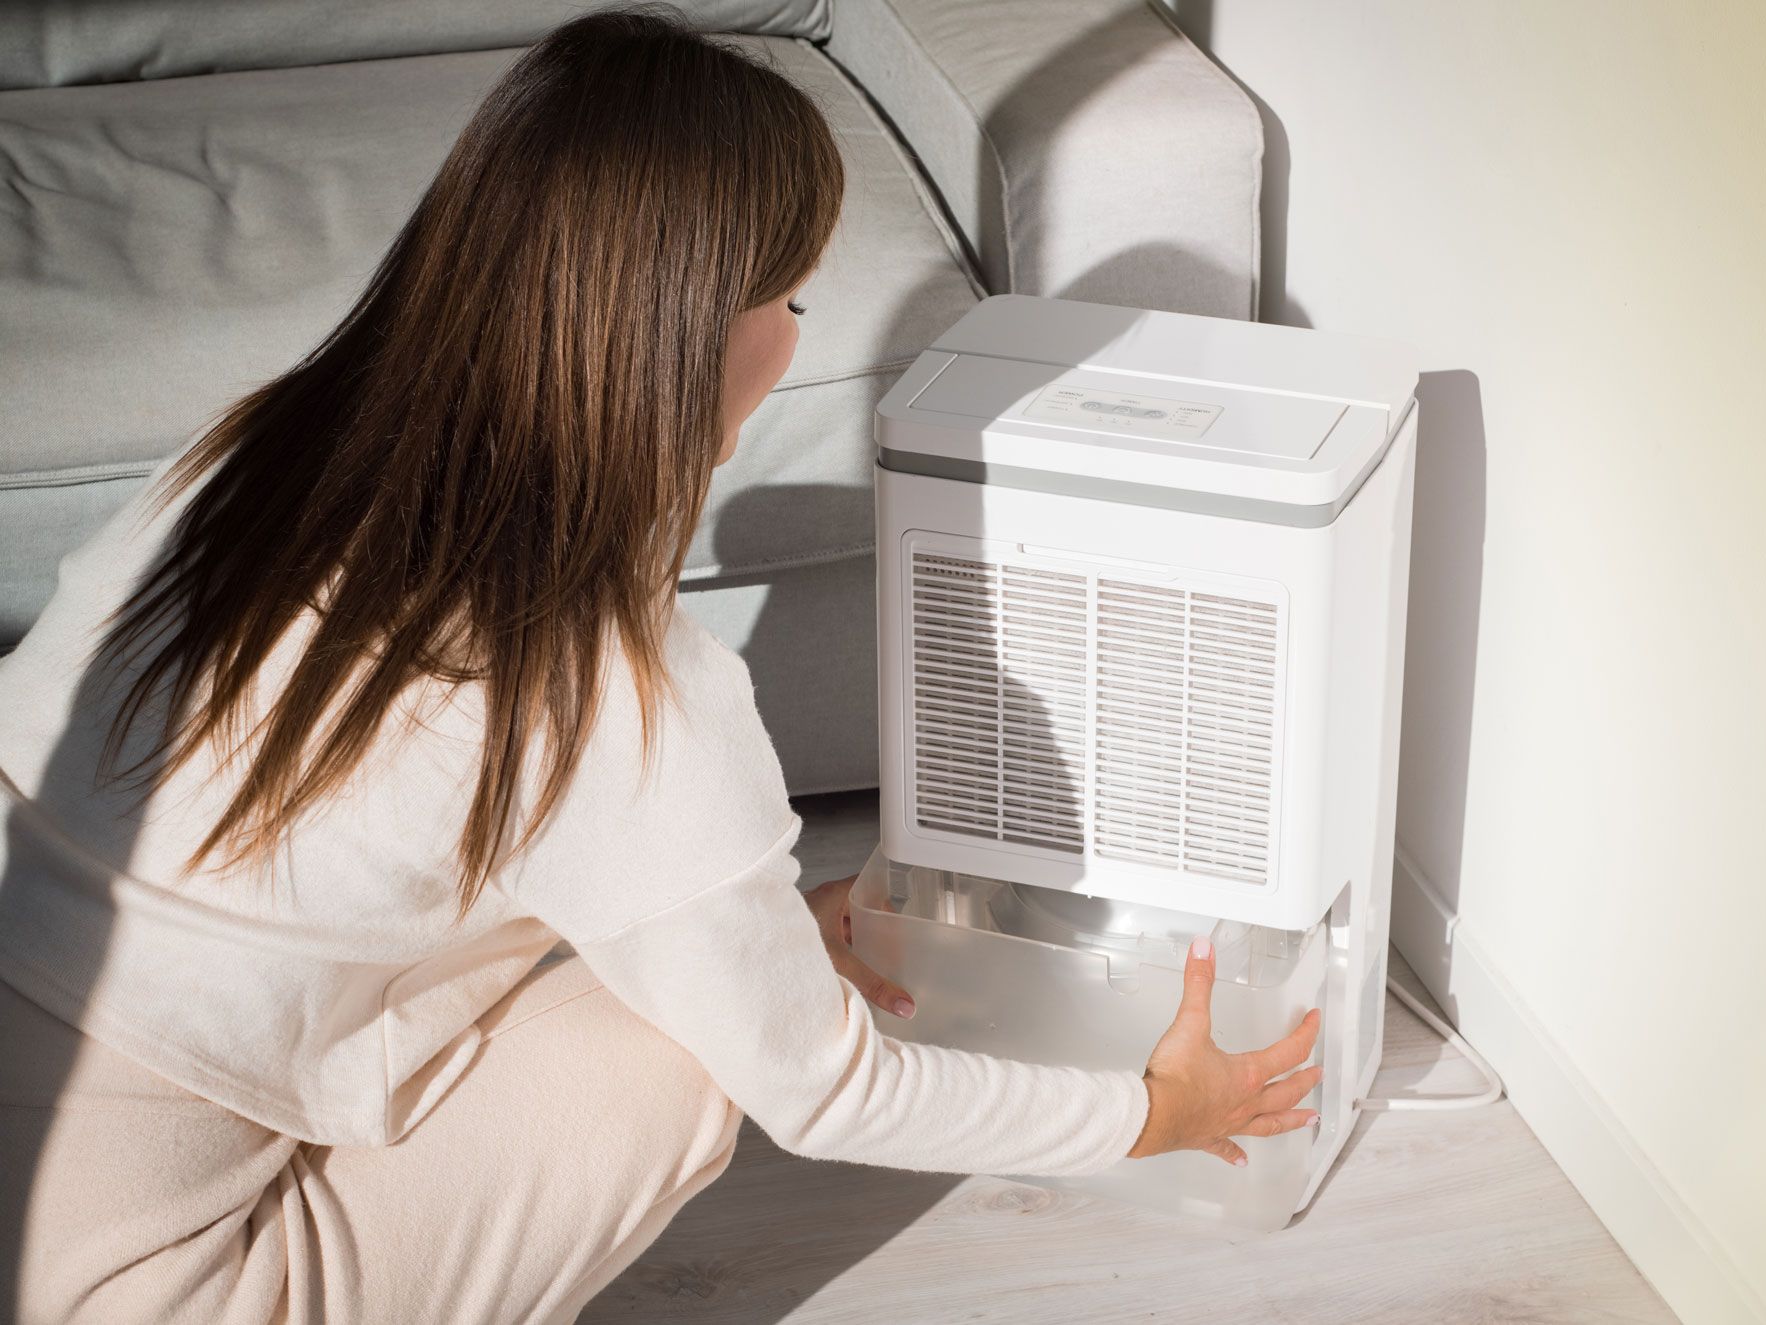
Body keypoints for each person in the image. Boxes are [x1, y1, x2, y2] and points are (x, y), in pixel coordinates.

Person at [0, 7, 1322, 1322]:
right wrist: (1149, 1111)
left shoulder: (253, 455)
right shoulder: (609, 695)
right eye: (793, 299)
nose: (799, 339)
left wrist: (741, 936)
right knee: (679, 1061)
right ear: (696, 335)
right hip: (124, 1292)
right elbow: (827, 1088)